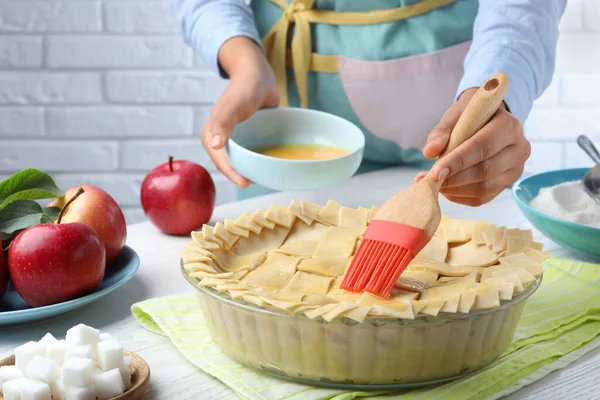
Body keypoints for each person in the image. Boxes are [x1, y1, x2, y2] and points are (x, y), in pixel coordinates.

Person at [173, 0, 566, 205]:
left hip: (454, 120)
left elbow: (523, 6)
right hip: (286, 130)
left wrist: (490, 94)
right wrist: (244, 64)